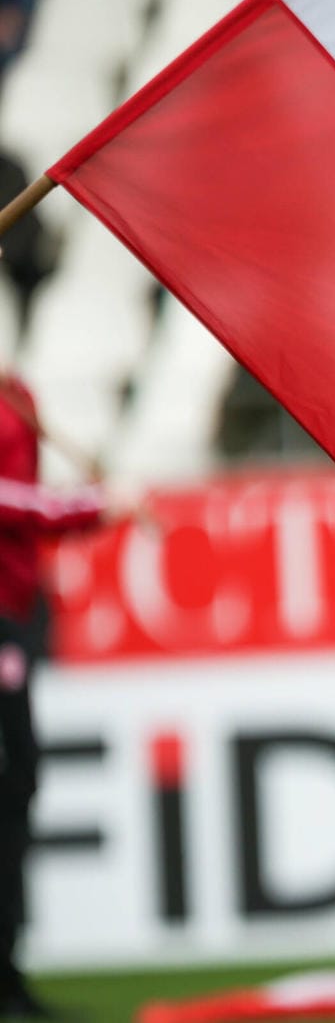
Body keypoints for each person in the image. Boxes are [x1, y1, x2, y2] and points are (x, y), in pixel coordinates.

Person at [0, 375, 106, 1020]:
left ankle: (7, 965)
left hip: (14, 609)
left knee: (17, 788)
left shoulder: (14, 391)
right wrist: (91, 506)